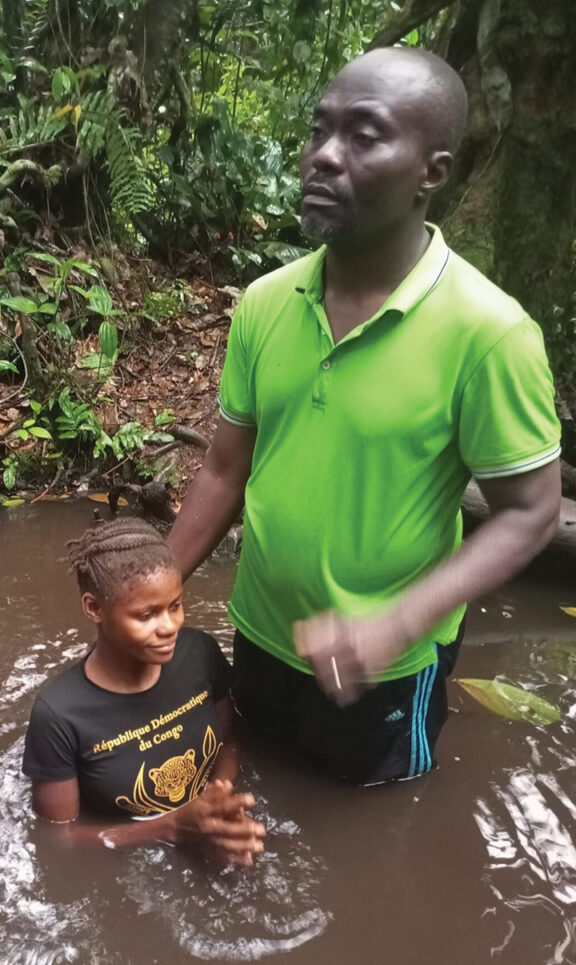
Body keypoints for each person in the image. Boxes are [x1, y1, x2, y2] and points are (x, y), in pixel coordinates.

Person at [168, 47, 561, 785]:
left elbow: (532, 513)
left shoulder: (489, 333)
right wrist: (159, 582)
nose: (322, 156)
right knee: (256, 787)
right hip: (259, 632)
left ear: (432, 172)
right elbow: (226, 468)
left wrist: (395, 626)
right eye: (319, 131)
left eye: (364, 135)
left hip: (386, 669)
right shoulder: (265, 301)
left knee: (376, 827)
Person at [22, 518, 265, 864]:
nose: (170, 627)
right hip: (134, 860)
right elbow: (58, 837)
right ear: (94, 608)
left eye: (176, 605)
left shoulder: (198, 653)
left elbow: (229, 740)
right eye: (146, 614)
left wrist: (216, 807)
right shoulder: (59, 715)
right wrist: (171, 829)